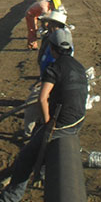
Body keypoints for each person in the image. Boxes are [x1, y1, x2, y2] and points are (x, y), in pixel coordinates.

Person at [0, 29, 87, 202]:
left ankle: (9, 201)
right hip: (78, 120)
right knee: (39, 137)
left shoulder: (54, 68)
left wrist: (48, 122)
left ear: (52, 48)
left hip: (62, 123)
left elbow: (42, 98)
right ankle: (42, 174)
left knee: (25, 158)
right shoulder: (78, 66)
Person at [22, 10, 71, 138]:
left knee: (32, 105)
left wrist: (45, 79)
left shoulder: (60, 41)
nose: (45, 24)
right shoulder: (49, 37)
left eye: (47, 22)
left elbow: (60, 63)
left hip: (51, 78)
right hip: (46, 76)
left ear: (55, 24)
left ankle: (29, 133)